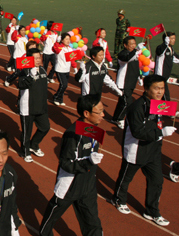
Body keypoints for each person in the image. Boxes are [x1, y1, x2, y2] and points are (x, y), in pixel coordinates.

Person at [111, 75, 176, 226]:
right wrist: (161, 133)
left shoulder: (159, 104)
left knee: (157, 181)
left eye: (162, 88)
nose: (160, 92)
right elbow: (137, 132)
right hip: (136, 149)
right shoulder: (137, 108)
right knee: (126, 178)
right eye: (156, 88)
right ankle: (118, 199)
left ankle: (151, 211)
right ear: (146, 89)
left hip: (153, 150)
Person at [39, 94, 105, 236]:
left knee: (92, 220)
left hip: (88, 183)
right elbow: (65, 163)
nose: (103, 115)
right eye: (99, 112)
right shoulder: (72, 134)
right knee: (54, 213)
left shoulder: (94, 129)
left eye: (102, 111)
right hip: (70, 184)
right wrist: (89, 161)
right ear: (86, 113)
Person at [17, 48, 50, 163]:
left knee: (45, 127)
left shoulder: (42, 70)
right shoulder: (25, 71)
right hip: (28, 107)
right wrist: (31, 76)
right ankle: (25, 151)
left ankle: (34, 145)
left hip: (41, 106)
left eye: (39, 57)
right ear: (29, 59)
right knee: (27, 132)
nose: (37, 60)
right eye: (35, 58)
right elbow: (20, 84)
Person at [111, 36, 145, 129]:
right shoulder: (123, 54)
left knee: (122, 102)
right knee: (127, 102)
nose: (133, 46)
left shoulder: (134, 54)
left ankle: (115, 118)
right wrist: (137, 50)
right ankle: (119, 119)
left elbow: (136, 66)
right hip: (123, 83)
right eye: (131, 44)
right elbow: (127, 59)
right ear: (125, 45)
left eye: (134, 44)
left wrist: (139, 77)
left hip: (131, 82)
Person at [52, 33, 77, 106]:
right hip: (60, 69)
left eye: (69, 39)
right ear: (62, 40)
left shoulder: (70, 49)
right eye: (66, 39)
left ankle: (61, 99)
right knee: (64, 85)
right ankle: (56, 97)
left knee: (63, 85)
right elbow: (54, 48)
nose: (68, 40)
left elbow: (72, 59)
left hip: (67, 70)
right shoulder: (59, 48)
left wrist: (75, 67)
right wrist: (57, 41)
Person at [154, 32, 179, 103]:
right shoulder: (161, 48)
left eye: (174, 38)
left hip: (164, 78)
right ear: (166, 39)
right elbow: (159, 52)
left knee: (158, 96)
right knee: (165, 97)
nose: (174, 40)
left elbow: (176, 59)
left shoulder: (171, 49)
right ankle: (166, 113)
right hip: (159, 77)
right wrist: (165, 44)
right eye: (172, 38)